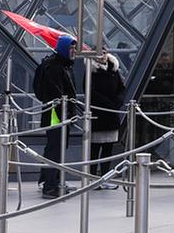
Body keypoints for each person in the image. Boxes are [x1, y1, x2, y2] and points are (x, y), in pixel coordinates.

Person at [33, 35, 78, 199]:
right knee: (55, 148)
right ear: (64, 48)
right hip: (56, 114)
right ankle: (50, 185)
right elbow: (56, 92)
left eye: (74, 48)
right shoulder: (55, 66)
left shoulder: (63, 64)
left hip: (61, 113)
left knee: (57, 147)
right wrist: (67, 113)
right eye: (71, 48)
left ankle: (52, 180)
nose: (73, 51)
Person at [88, 51, 127, 189]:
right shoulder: (91, 71)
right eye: (99, 53)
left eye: (104, 53)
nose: (102, 56)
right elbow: (90, 92)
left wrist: (117, 102)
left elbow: (122, 89)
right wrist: (109, 104)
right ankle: (92, 179)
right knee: (94, 149)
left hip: (111, 115)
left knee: (108, 149)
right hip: (98, 115)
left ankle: (105, 177)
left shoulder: (113, 70)